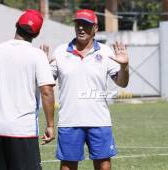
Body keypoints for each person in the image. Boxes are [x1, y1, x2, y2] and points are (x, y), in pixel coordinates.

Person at [47, 9, 129, 170]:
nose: (81, 28)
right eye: (78, 24)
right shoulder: (60, 52)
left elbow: (122, 83)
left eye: (86, 24)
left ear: (96, 28)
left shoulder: (106, 52)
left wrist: (124, 67)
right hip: (69, 121)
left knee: (104, 166)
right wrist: (41, 67)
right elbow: (46, 83)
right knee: (67, 167)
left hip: (100, 121)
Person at [0, 9, 56, 170]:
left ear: (16, 25)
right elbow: (47, 91)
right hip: (23, 131)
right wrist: (51, 125)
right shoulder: (38, 55)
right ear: (36, 34)